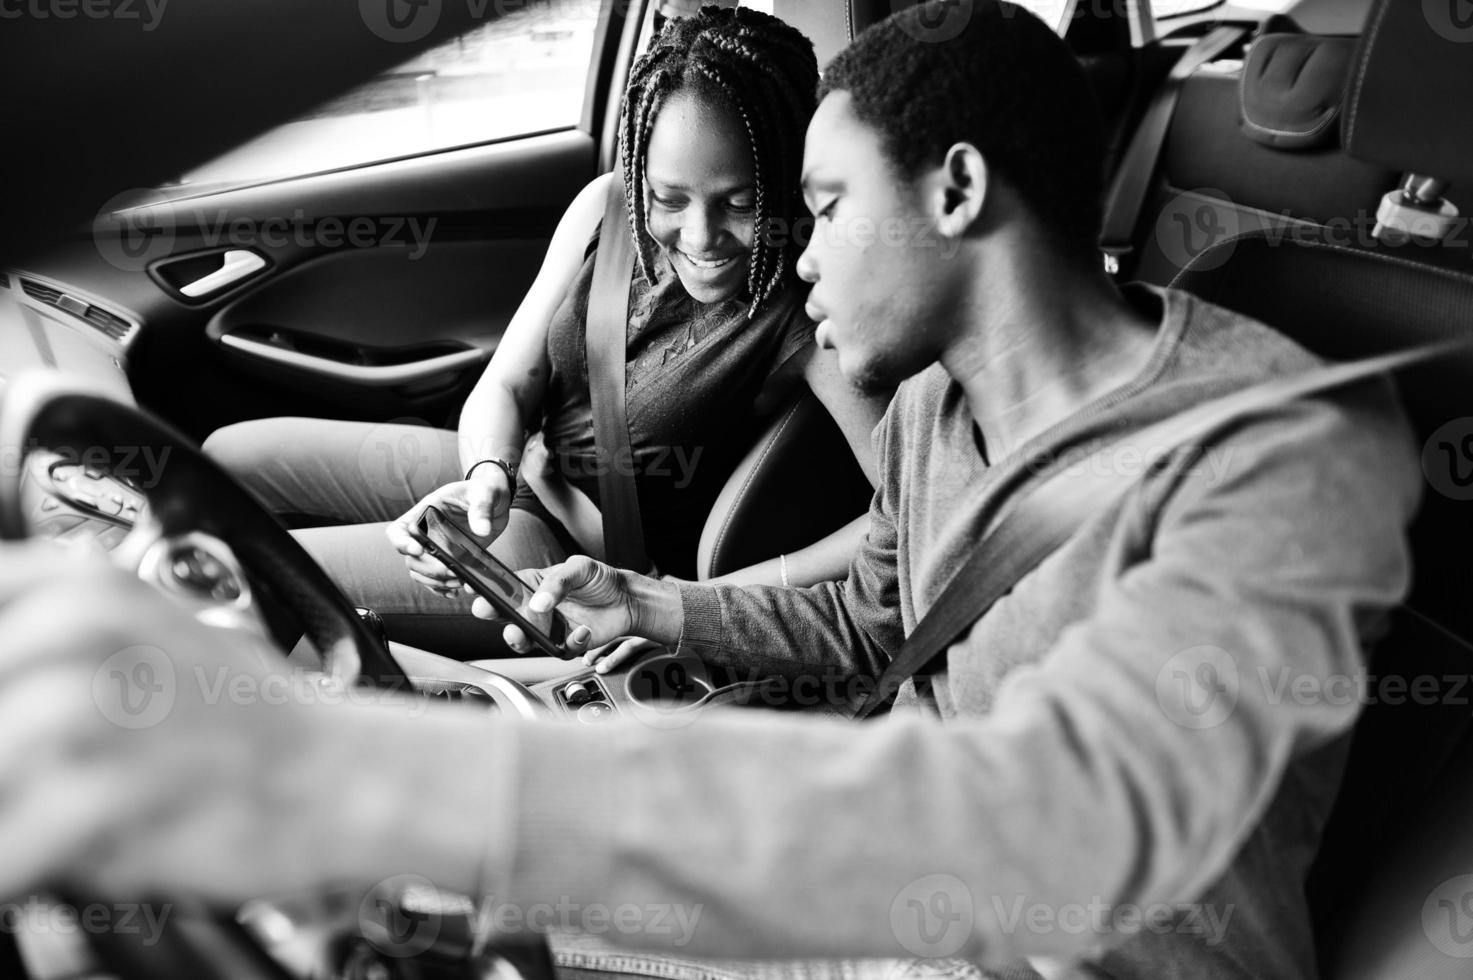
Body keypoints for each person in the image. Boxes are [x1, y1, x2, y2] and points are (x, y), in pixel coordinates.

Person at [0, 3, 1421, 978]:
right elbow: (879, 605)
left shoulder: (1288, 448)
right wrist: (654, 608)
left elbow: (1063, 815)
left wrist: (353, 774)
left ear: (958, 189)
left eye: (825, 206)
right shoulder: (936, 405)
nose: (791, 258)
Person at [202, 7, 889, 661]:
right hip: (519, 476)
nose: (702, 235)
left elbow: (903, 513)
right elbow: (509, 379)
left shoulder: (804, 308)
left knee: (239, 571)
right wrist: (484, 478)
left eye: (740, 203)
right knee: (226, 455)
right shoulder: (605, 211)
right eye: (669, 199)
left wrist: (700, 601)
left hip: (576, 561)